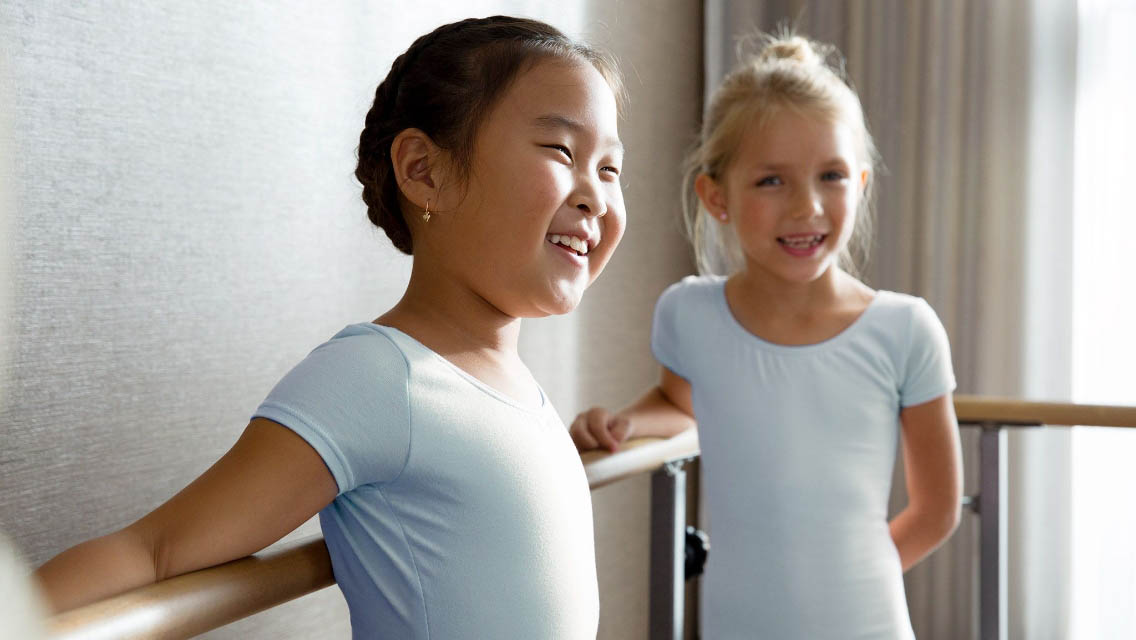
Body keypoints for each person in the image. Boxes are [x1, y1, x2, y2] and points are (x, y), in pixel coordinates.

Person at [35, 16, 627, 639]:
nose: (596, 195)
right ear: (425, 170)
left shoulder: (514, 387)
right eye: (562, 151)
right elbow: (155, 550)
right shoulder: (377, 379)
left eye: (610, 169)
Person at [571, 32, 962, 639]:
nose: (806, 207)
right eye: (772, 181)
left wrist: (848, 583)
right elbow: (683, 406)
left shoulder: (905, 329)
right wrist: (622, 424)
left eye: (831, 175)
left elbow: (937, 509)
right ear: (716, 197)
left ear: (860, 184)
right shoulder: (689, 313)